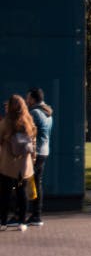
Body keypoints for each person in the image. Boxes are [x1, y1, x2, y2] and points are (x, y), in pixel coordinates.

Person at [0, 95, 37, 232]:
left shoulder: (5, 122)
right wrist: (32, 159)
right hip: (24, 166)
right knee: (22, 194)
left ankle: (3, 222)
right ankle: (22, 222)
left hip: (7, 165)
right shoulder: (29, 122)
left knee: (5, 194)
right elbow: (33, 143)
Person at [25, 87, 52, 227]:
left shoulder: (34, 112)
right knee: (37, 182)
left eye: (28, 98)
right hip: (44, 150)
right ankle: (36, 214)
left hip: (35, 152)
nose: (26, 100)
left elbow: (27, 131)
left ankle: (33, 215)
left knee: (29, 181)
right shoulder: (48, 113)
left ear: (33, 99)